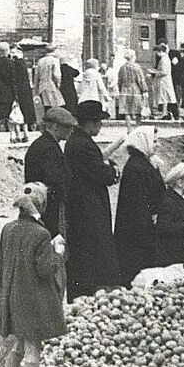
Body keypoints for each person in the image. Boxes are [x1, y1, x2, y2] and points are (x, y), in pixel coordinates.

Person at [0, 182, 66, 367]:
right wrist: (57, 251)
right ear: (41, 205)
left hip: (12, 296)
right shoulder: (41, 234)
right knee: (33, 349)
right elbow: (45, 271)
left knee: (18, 347)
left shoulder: (8, 228)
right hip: (33, 299)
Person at [63, 101, 125, 298]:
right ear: (90, 122)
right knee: (92, 252)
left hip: (83, 204)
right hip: (88, 207)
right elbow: (102, 175)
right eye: (99, 121)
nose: (101, 126)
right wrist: (113, 170)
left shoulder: (78, 140)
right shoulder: (84, 145)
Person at [114, 126, 165, 282]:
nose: (158, 145)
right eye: (154, 141)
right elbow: (138, 204)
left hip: (143, 228)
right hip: (138, 231)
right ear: (144, 141)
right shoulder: (136, 167)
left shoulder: (144, 163)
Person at [23, 107, 76, 235]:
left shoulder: (44, 144)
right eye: (68, 127)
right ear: (56, 126)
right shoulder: (48, 148)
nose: (71, 130)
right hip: (49, 207)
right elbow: (54, 179)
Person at [154, 164, 184, 267]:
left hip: (177, 250)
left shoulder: (180, 198)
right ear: (180, 183)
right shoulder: (169, 201)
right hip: (169, 254)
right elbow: (164, 226)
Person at [115, 49, 148, 130]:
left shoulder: (122, 67)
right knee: (138, 109)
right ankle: (137, 127)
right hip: (135, 89)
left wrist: (120, 90)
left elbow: (119, 80)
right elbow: (140, 80)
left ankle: (129, 128)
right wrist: (144, 90)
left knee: (127, 110)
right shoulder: (137, 67)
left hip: (125, 89)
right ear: (133, 57)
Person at [11, 44, 37, 139]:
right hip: (24, 90)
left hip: (19, 89)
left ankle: (20, 134)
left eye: (15, 52)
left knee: (18, 112)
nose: (13, 54)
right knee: (23, 112)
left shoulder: (16, 63)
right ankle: (25, 134)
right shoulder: (21, 63)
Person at [149, 44, 176, 120]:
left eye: (157, 53)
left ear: (161, 51)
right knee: (164, 97)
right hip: (164, 80)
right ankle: (164, 112)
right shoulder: (165, 59)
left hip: (164, 81)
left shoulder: (164, 60)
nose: (157, 55)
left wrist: (154, 72)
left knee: (164, 97)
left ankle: (164, 113)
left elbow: (164, 72)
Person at [34, 44, 64, 111]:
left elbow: (36, 75)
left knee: (45, 106)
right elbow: (57, 75)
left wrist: (36, 88)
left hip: (42, 86)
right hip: (52, 85)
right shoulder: (54, 60)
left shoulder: (40, 61)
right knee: (54, 107)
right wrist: (59, 84)